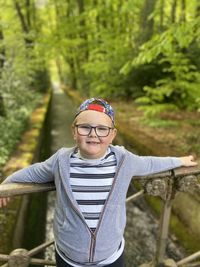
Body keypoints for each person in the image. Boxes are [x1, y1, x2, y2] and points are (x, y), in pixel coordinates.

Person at [0, 98, 198, 267]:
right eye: (85, 127)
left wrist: (179, 161)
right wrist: (7, 185)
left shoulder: (124, 160)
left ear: (112, 135)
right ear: (74, 131)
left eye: (102, 129)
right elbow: (34, 172)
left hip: (111, 256)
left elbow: (150, 163)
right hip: (69, 257)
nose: (93, 134)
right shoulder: (61, 160)